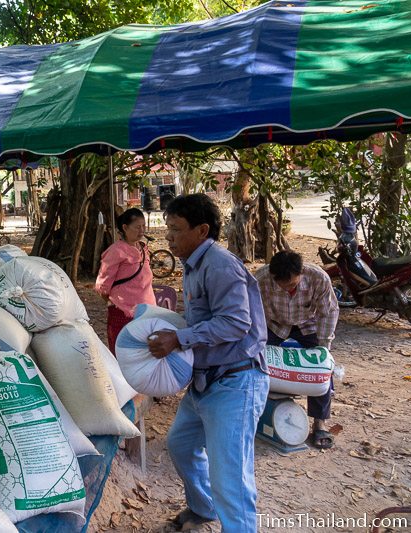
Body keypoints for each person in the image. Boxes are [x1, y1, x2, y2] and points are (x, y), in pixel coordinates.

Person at [148, 193, 269, 532]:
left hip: (235, 380)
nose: (168, 238)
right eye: (167, 229)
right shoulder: (192, 265)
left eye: (175, 230)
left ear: (202, 230)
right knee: (181, 444)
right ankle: (203, 509)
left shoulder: (219, 264)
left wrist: (179, 339)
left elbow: (235, 322)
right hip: (207, 379)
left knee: (229, 477)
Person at [255, 250, 339, 450]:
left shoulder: (318, 278)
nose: (287, 289)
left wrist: (323, 348)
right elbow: (250, 310)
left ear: (301, 273)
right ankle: (258, 412)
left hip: (306, 324)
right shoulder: (260, 279)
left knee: (321, 369)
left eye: (292, 285)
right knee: (255, 361)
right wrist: (255, 339)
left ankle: (319, 423)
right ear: (273, 277)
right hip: (273, 323)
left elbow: (329, 312)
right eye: (281, 286)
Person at [95, 208, 156, 352]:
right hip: (123, 313)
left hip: (147, 312)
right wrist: (116, 302)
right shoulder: (116, 251)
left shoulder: (142, 248)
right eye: (137, 227)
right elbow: (102, 286)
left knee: (144, 354)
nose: (142, 230)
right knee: (124, 354)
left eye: (143, 226)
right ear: (125, 228)